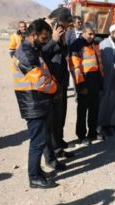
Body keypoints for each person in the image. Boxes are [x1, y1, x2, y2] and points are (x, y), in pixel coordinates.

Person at [11, 18, 58, 188]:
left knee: (41, 139)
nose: (45, 42)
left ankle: (37, 171)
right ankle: (34, 177)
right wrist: (55, 87)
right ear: (33, 35)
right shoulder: (25, 53)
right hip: (33, 104)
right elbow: (40, 82)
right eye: (44, 38)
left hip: (37, 102)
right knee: (37, 142)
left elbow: (43, 74)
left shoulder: (32, 49)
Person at [42, 7, 74, 171]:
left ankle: (57, 149)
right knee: (48, 124)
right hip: (47, 85)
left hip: (60, 83)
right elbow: (39, 55)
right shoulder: (40, 29)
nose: (66, 29)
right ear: (57, 20)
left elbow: (61, 56)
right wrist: (54, 40)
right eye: (65, 25)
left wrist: (60, 41)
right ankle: (50, 159)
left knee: (58, 121)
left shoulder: (59, 33)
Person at [69, 22, 103, 145]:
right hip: (84, 82)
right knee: (82, 111)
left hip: (95, 81)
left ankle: (92, 133)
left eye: (94, 34)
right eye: (90, 34)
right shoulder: (76, 46)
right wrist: (81, 86)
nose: (92, 36)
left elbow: (98, 64)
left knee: (94, 110)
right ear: (83, 32)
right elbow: (75, 67)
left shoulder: (95, 44)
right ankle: (81, 136)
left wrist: (101, 81)